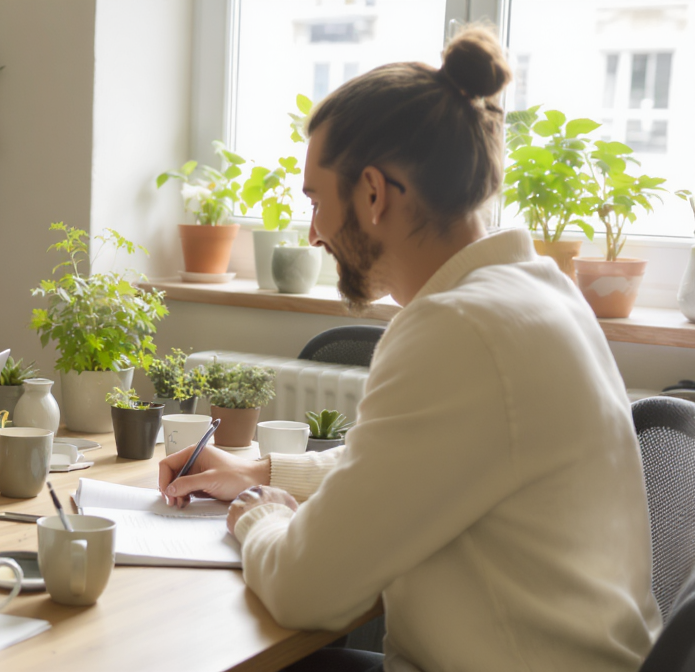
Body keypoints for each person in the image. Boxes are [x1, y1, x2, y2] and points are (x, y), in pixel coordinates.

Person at [158, 26, 660, 672]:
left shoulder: (459, 332)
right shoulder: (538, 293)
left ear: (372, 193)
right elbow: (400, 466)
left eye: (316, 201)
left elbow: (305, 589)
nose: (312, 234)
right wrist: (263, 474)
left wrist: (257, 517)